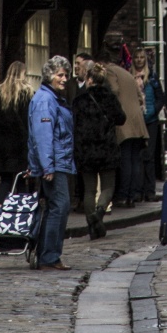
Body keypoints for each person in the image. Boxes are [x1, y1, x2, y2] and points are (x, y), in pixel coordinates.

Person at [27, 54, 75, 269]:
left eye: (66, 75)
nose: (64, 79)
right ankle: (49, 256)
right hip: (54, 164)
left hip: (58, 161)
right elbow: (43, 135)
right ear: (49, 76)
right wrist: (47, 166)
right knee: (59, 207)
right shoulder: (46, 101)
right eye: (60, 75)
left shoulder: (51, 98)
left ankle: (47, 254)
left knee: (56, 207)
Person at [73, 60, 126, 239]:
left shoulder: (79, 100)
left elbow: (74, 124)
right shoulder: (110, 98)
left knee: (89, 190)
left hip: (85, 149)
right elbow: (121, 118)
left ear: (88, 79)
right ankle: (100, 213)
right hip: (106, 147)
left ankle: (92, 224)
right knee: (108, 187)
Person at [99, 32, 147, 208]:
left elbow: (113, 91)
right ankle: (132, 195)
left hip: (125, 121)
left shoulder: (111, 71)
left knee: (126, 160)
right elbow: (140, 98)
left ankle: (123, 195)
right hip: (137, 122)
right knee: (134, 160)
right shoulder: (126, 72)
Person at [0, 59, 37, 203]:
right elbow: (31, 123)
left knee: (6, 181)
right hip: (21, 145)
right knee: (21, 181)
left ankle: (0, 211)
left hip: (2, 148)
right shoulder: (28, 94)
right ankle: (22, 217)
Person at [133, 49, 165, 201]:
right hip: (136, 121)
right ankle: (138, 190)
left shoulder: (152, 77)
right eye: (136, 58)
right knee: (138, 156)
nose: (139, 60)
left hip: (150, 120)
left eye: (141, 58)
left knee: (149, 156)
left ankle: (149, 190)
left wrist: (153, 111)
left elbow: (160, 97)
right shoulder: (130, 77)